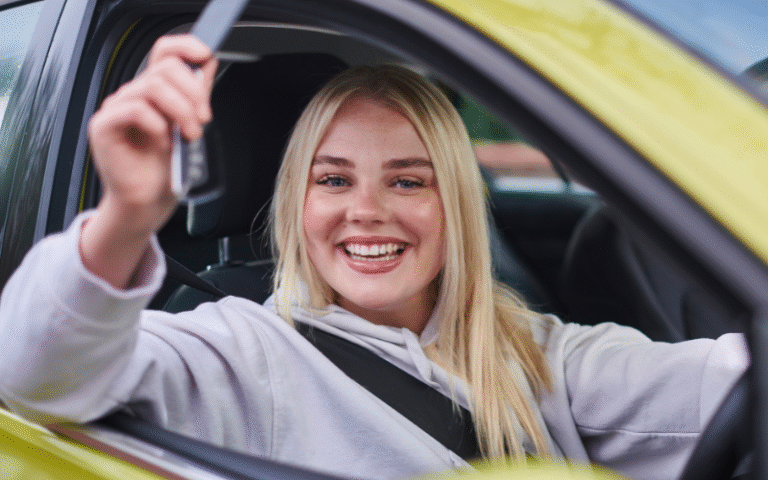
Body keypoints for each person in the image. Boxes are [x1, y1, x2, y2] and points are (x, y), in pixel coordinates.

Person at [0, 35, 748, 480]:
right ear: (296, 203)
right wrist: (127, 218)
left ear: (455, 205)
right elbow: (32, 375)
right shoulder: (243, 350)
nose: (367, 209)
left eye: (408, 181)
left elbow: (720, 383)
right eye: (333, 180)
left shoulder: (530, 350)